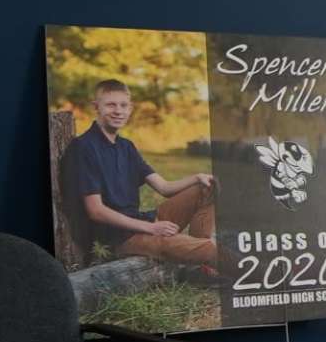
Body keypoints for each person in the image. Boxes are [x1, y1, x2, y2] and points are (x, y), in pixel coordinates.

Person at [61, 80, 219, 265]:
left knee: (207, 188)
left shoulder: (126, 147)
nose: (118, 111)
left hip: (143, 222)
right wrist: (151, 228)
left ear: (130, 108)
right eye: (111, 104)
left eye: (123, 105)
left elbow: (164, 187)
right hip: (120, 238)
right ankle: (213, 257)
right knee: (209, 248)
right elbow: (96, 211)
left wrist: (197, 177)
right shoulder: (84, 147)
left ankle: (202, 267)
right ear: (96, 107)